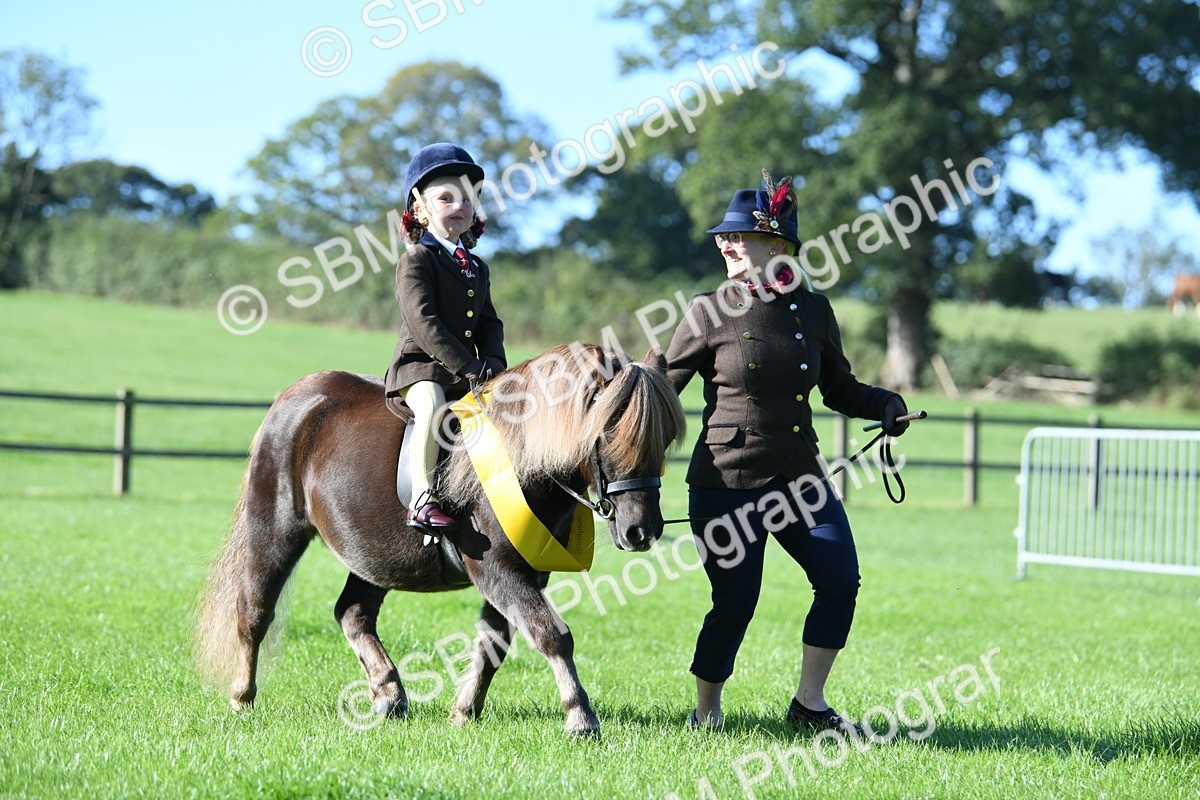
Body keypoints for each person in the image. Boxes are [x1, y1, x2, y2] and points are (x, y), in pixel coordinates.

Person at [656, 172, 910, 732]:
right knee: (736, 601)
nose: (725, 244)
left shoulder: (815, 311)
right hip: (724, 481)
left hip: (801, 479)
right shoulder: (707, 310)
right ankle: (707, 711)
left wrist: (886, 403)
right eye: (723, 237)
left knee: (841, 580)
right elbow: (660, 388)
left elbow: (840, 389)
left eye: (737, 236)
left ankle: (809, 705)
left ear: (778, 246)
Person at [384, 142, 506, 531]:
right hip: (419, 370)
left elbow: (489, 322)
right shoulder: (416, 259)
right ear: (420, 207)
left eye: (467, 199)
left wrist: (495, 364)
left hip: (469, 370)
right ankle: (421, 499)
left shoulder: (477, 267)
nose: (459, 206)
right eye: (446, 197)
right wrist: (469, 365)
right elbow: (424, 323)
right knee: (434, 407)